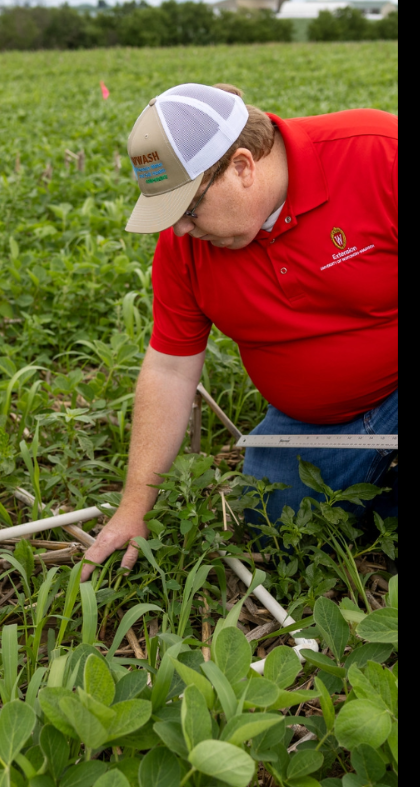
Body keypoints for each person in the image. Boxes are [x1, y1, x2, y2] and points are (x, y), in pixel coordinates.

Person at [80, 83, 396, 580]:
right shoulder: (185, 247)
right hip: (319, 422)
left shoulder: (377, 152)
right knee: (272, 524)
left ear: (243, 166)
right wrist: (136, 503)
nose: (181, 230)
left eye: (188, 209)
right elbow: (169, 368)